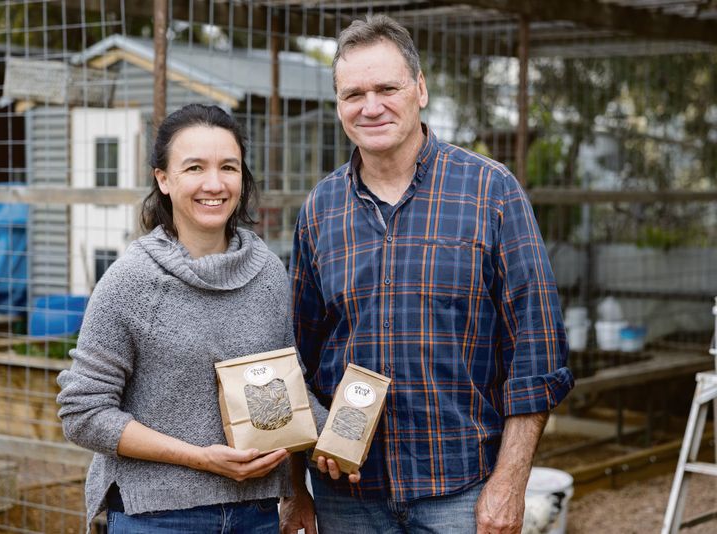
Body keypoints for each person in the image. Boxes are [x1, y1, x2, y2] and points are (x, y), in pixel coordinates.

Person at [281, 14, 574, 534]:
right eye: (353, 94)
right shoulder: (321, 208)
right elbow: (297, 357)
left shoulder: (491, 191)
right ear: (338, 106)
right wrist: (296, 488)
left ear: (420, 89)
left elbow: (537, 351)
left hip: (460, 493)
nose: (370, 107)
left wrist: (510, 483)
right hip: (346, 497)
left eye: (387, 88)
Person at [57, 104, 319, 534]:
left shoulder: (269, 273)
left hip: (256, 516)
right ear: (162, 178)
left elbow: (285, 396)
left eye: (228, 167)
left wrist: (304, 482)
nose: (214, 184)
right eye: (194, 167)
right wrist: (200, 458)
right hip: (158, 519)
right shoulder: (131, 281)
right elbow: (82, 413)